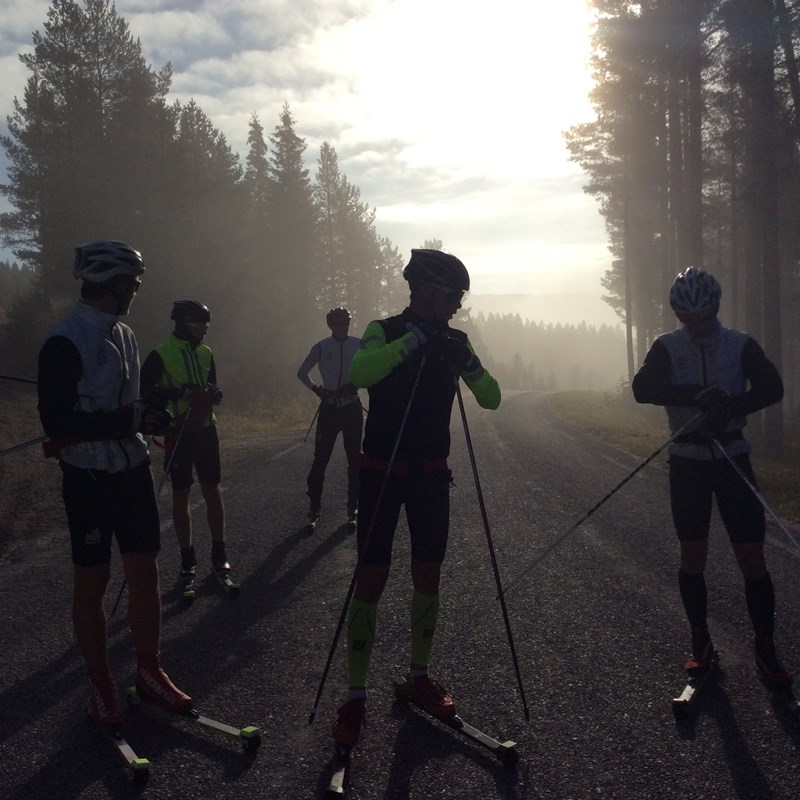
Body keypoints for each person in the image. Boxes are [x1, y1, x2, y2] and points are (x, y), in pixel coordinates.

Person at [332, 249, 501, 748]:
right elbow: (360, 374)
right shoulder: (384, 328)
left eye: (460, 298)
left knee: (428, 574)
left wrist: (466, 359)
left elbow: (491, 397)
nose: (456, 306)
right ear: (425, 289)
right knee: (371, 578)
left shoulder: (455, 339)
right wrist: (413, 341)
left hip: (430, 477)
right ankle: (355, 694)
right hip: (382, 473)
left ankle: (418, 676)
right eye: (451, 295)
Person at [37, 240, 192, 730]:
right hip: (87, 479)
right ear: (115, 283)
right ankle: (101, 680)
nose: (138, 290)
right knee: (93, 581)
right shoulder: (65, 341)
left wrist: (152, 416)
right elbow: (57, 426)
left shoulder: (125, 335)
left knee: (145, 573)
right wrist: (129, 418)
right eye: (135, 283)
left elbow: (130, 405)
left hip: (132, 474)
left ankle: (149, 669)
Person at [632, 266, 790, 687]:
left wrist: (731, 406)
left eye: (704, 318)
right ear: (678, 316)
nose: (697, 327)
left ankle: (765, 648)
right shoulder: (666, 345)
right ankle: (701, 643)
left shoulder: (739, 344)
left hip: (733, 457)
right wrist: (692, 395)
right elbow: (642, 388)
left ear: (716, 309)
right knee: (693, 555)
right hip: (688, 462)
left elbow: (773, 388)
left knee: (752, 558)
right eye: (688, 319)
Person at [140, 300, 227, 580]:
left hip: (206, 428)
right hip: (179, 432)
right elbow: (143, 393)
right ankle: (187, 558)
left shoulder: (206, 352)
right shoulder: (160, 354)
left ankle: (219, 553)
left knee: (212, 490)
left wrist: (215, 394)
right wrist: (178, 394)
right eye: (202, 325)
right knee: (181, 493)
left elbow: (211, 383)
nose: (205, 331)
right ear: (186, 325)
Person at [296, 306, 363, 525]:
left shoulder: (358, 344)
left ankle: (353, 507)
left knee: (355, 459)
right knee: (320, 459)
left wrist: (356, 384)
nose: (341, 327)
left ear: (349, 323)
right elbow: (302, 372)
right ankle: (314, 507)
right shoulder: (322, 347)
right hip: (330, 409)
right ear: (330, 325)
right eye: (337, 324)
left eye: (344, 323)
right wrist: (317, 389)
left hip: (351, 407)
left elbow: (369, 371)